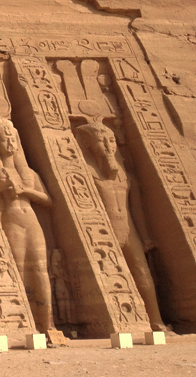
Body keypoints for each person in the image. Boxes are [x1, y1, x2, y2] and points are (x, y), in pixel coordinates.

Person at [76, 121, 166, 331]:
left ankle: (156, 319)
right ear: (88, 144)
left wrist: (145, 237)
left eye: (111, 140)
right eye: (101, 140)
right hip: (104, 231)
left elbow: (136, 211)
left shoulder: (127, 176)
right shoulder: (86, 173)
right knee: (112, 273)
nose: (108, 145)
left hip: (129, 230)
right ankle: (126, 321)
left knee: (142, 272)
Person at [0, 118, 55, 333]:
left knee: (41, 270)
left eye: (14, 138)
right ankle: (25, 321)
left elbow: (47, 200)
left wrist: (24, 191)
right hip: (10, 221)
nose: (11, 143)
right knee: (18, 269)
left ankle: (48, 323)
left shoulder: (28, 173)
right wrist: (1, 188)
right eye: (5, 139)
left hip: (31, 221)